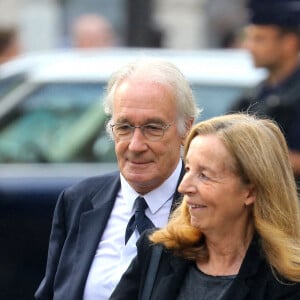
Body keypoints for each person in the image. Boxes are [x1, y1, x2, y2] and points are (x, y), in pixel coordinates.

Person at [34, 57, 200, 299]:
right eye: (123, 127)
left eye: (153, 128)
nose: (135, 145)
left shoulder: (201, 207)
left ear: (186, 129)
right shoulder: (78, 201)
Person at [110, 113, 300, 300]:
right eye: (188, 169)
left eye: (204, 175)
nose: (183, 187)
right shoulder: (157, 253)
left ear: (250, 192)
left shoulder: (287, 282)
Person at [229, 0, 300, 185]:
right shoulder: (255, 93)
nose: (249, 47)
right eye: (249, 38)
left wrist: (251, 156)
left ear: (289, 43)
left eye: (259, 38)